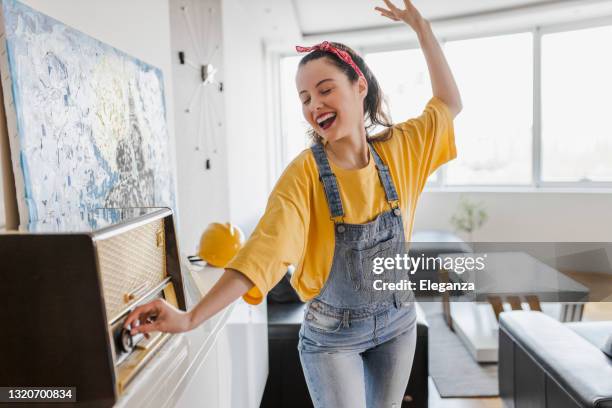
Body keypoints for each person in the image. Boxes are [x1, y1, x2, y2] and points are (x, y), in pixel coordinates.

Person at [124, 1, 461, 406]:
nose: (313, 105)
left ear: (359, 86)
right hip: (332, 338)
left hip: (399, 322)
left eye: (324, 90)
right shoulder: (305, 174)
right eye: (304, 98)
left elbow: (448, 103)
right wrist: (190, 318)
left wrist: (422, 28)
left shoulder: (400, 149)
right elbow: (261, 254)